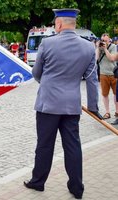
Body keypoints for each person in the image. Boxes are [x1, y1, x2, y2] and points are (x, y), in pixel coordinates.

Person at [23, 9, 101, 199]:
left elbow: (36, 73)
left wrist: (48, 84)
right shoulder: (89, 48)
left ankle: (38, 182)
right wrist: (93, 107)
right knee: (73, 146)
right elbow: (92, 79)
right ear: (73, 24)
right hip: (71, 106)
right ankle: (76, 187)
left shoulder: (47, 43)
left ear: (58, 24)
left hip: (48, 105)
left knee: (44, 145)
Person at [96, 33, 117, 119]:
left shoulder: (113, 47)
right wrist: (98, 48)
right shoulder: (99, 48)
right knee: (105, 94)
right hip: (103, 74)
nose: (104, 42)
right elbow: (96, 59)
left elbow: (111, 58)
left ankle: (117, 111)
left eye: (105, 40)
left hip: (113, 74)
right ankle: (107, 112)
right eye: (102, 40)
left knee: (116, 94)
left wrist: (105, 49)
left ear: (109, 40)